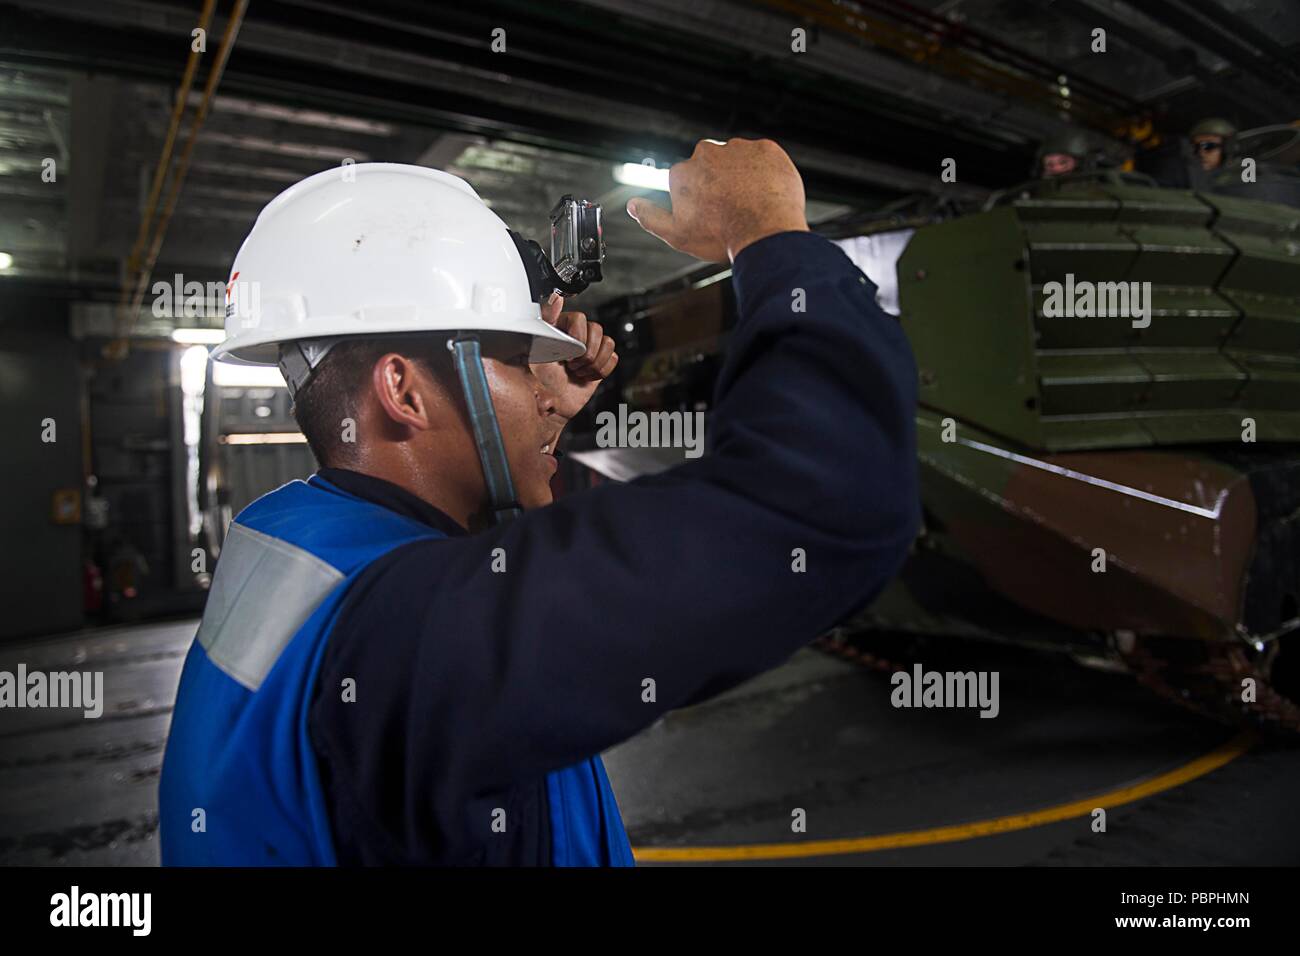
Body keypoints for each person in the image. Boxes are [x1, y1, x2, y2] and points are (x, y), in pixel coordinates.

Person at [159, 139, 920, 865]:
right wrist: (770, 238)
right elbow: (827, 499)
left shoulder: (294, 543)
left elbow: (472, 570)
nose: (541, 389)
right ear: (403, 390)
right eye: (520, 362)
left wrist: (528, 428)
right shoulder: (408, 640)